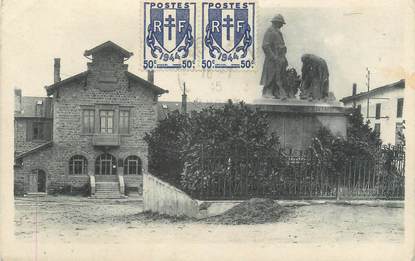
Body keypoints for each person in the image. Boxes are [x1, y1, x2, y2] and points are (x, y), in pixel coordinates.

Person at [260, 14, 288, 99]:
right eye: (281, 23)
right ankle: (268, 92)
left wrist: (283, 58)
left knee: (278, 76)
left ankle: (276, 92)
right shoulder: (270, 31)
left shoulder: (278, 32)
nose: (282, 25)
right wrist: (273, 57)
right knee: (271, 75)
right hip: (272, 59)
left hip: (280, 58)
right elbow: (265, 46)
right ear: (277, 22)